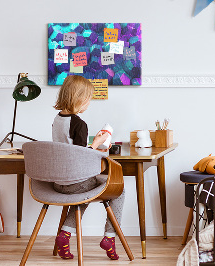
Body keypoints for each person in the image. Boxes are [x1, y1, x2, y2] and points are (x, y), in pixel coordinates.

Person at [52, 75, 125, 260]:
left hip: (58, 182)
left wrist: (95, 145)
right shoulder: (79, 124)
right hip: (75, 182)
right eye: (88, 99)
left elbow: (70, 149)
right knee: (118, 189)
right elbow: (81, 156)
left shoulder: (57, 120)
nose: (88, 103)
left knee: (83, 194)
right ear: (79, 99)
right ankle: (110, 237)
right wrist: (98, 143)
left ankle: (65, 235)